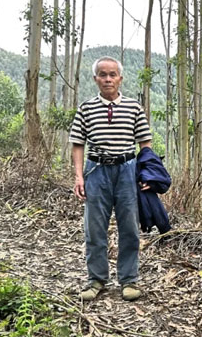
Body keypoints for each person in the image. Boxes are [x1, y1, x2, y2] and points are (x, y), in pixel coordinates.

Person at [70, 56, 153, 302]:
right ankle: (96, 279)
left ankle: (129, 280)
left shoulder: (133, 107)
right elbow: (77, 143)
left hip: (127, 170)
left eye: (112, 74)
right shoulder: (86, 108)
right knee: (94, 229)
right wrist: (78, 177)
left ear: (120, 78)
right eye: (103, 75)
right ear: (96, 79)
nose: (108, 79)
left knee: (129, 228)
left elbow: (145, 143)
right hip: (96, 171)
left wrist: (146, 173)